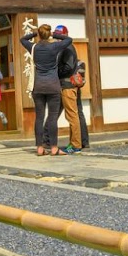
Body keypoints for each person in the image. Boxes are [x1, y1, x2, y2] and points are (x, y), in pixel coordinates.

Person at [21, 21, 69, 156]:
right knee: (53, 118)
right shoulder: (54, 46)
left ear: (39, 35)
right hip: (53, 85)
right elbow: (69, 40)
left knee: (39, 117)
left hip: (38, 86)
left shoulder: (33, 47)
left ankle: (39, 148)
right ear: (48, 35)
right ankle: (54, 148)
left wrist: (35, 33)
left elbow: (22, 39)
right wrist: (55, 35)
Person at [56, 25, 90, 153]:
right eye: (56, 34)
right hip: (68, 86)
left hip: (68, 86)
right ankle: (76, 143)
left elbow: (69, 67)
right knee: (73, 114)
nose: (57, 37)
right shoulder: (64, 47)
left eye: (59, 35)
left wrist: (57, 72)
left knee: (72, 115)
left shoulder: (67, 47)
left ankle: (75, 145)